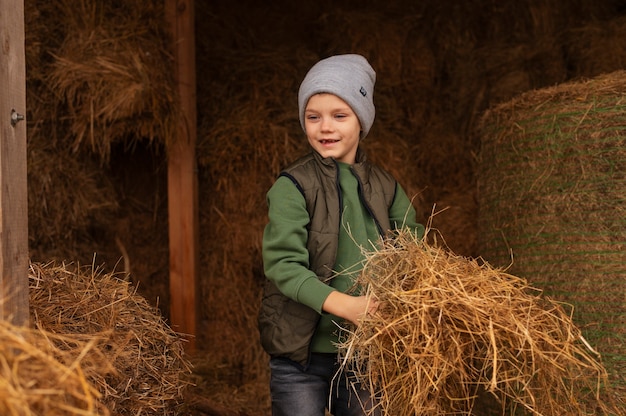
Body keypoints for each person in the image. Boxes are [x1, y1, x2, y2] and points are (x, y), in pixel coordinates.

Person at [257, 54, 425, 416]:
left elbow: (416, 252)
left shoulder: (387, 188)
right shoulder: (293, 186)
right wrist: (346, 305)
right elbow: (283, 265)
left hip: (366, 353)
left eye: (339, 115)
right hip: (301, 355)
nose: (325, 127)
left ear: (362, 120)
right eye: (313, 116)